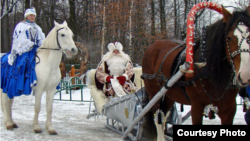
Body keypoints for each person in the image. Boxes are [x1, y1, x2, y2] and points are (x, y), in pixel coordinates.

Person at [0, 8, 45, 99]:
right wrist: (29, 44)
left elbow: (41, 39)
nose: (33, 17)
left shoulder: (37, 27)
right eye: (31, 15)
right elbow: (19, 41)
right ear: (26, 16)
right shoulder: (21, 26)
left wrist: (42, 46)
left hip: (36, 49)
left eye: (34, 15)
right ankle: (21, 85)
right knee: (24, 62)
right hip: (25, 50)